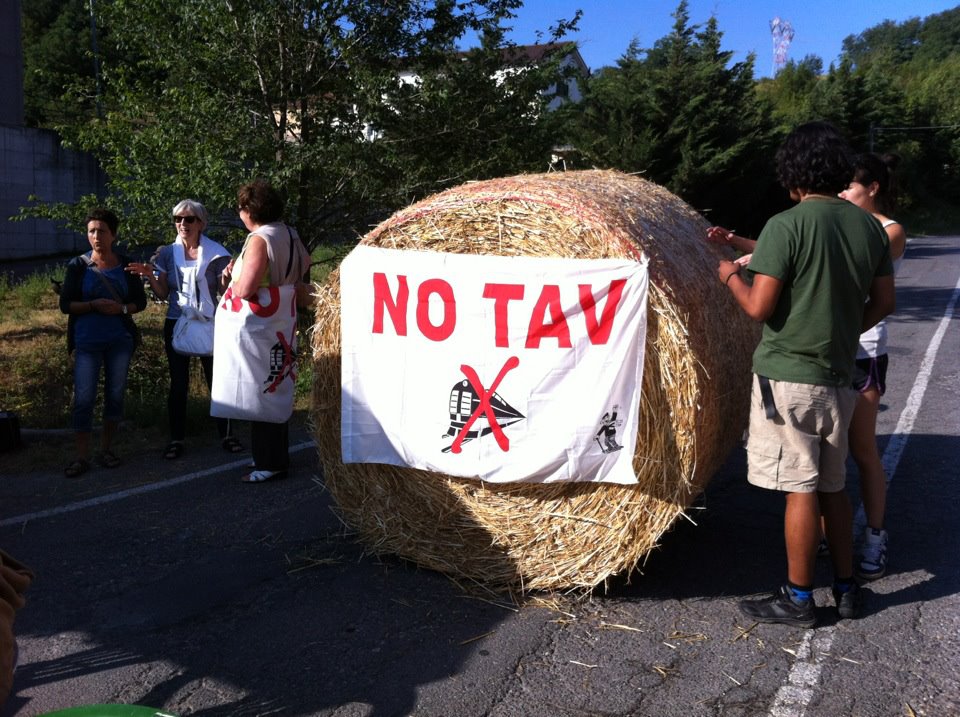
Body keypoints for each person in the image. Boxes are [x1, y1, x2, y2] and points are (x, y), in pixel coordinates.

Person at [713, 121, 895, 627]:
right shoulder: (867, 228)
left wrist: (729, 272)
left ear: (792, 176)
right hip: (840, 374)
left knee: (800, 487)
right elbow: (884, 301)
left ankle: (797, 598)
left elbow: (758, 306)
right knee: (833, 485)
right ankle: (846, 588)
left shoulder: (785, 225)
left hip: (788, 376)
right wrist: (838, 331)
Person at [127, 200, 243, 460]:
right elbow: (163, 292)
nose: (182, 224)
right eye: (178, 219)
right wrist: (150, 275)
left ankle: (227, 434)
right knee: (179, 384)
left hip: (210, 321)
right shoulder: (168, 252)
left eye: (189, 219)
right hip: (178, 322)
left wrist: (226, 279)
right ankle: (176, 438)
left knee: (217, 381)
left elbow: (225, 294)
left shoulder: (216, 253)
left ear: (201, 223)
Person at [839, 153, 907, 580]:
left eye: (851, 187)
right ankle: (832, 534)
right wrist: (742, 244)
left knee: (862, 451)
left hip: (863, 350)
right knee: (826, 455)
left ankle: (876, 537)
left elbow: (844, 266)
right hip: (829, 351)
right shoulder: (842, 224)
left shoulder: (890, 231)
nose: (843, 194)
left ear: (873, 189)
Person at [217, 180, 311, 483]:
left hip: (260, 327)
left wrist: (233, 273)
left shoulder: (259, 238)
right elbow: (304, 265)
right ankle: (269, 457)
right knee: (277, 387)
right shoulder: (290, 234)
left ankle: (270, 463)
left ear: (248, 210)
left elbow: (245, 289)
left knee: (261, 392)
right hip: (282, 321)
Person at [60, 208, 148, 477]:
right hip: (87, 342)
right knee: (84, 399)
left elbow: (140, 303)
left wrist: (121, 310)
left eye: (101, 231)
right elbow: (66, 305)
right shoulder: (78, 266)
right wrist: (92, 305)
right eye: (91, 231)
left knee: (115, 395)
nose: (96, 236)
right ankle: (81, 456)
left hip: (118, 342)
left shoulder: (126, 264)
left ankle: (106, 450)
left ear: (113, 234)